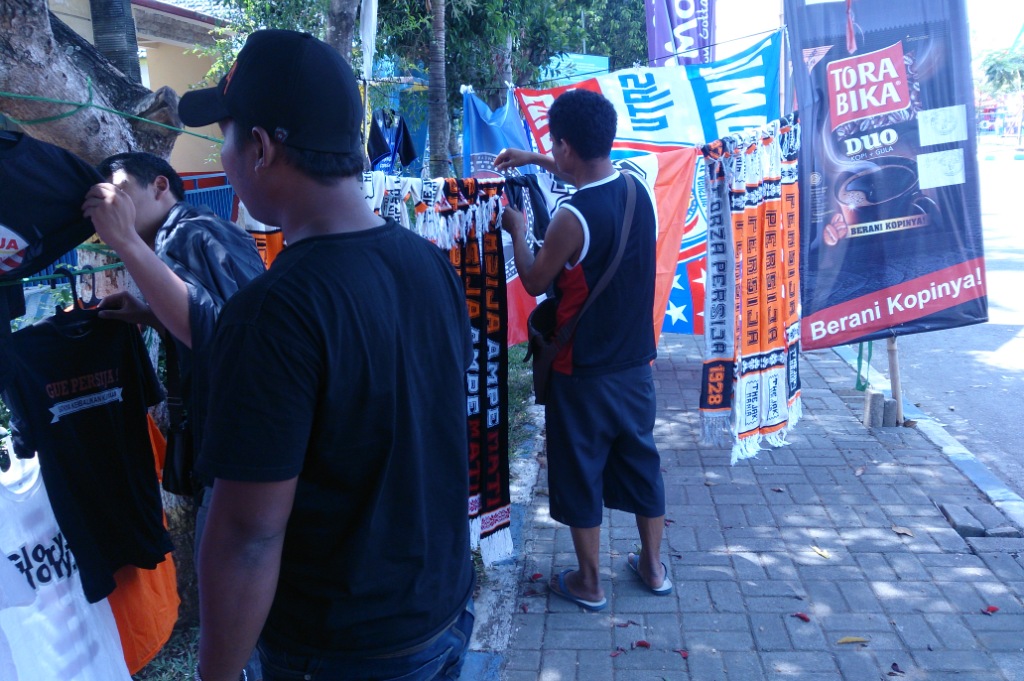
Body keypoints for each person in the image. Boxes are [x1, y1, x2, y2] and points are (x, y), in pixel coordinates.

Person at [176, 29, 476, 681]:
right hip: (441, 615)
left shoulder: (274, 311)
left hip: (342, 650)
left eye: (226, 135)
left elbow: (247, 536)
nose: (223, 156)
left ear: (260, 146)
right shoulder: (429, 266)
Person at [81, 152, 266, 679]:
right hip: (234, 449)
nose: (108, 203)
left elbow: (226, 337)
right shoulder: (181, 237)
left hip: (242, 458)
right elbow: (216, 322)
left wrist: (124, 242)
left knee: (233, 608)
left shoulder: (192, 231)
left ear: (161, 186)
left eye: (119, 190)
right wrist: (147, 312)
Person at [494, 89, 670, 611]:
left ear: (567, 145)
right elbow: (581, 168)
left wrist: (520, 232)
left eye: (554, 146)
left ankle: (590, 584)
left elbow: (533, 278)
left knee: (579, 470)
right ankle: (654, 568)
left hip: (582, 369)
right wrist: (533, 158)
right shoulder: (637, 189)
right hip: (636, 365)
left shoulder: (572, 217)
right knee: (642, 465)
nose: (554, 153)